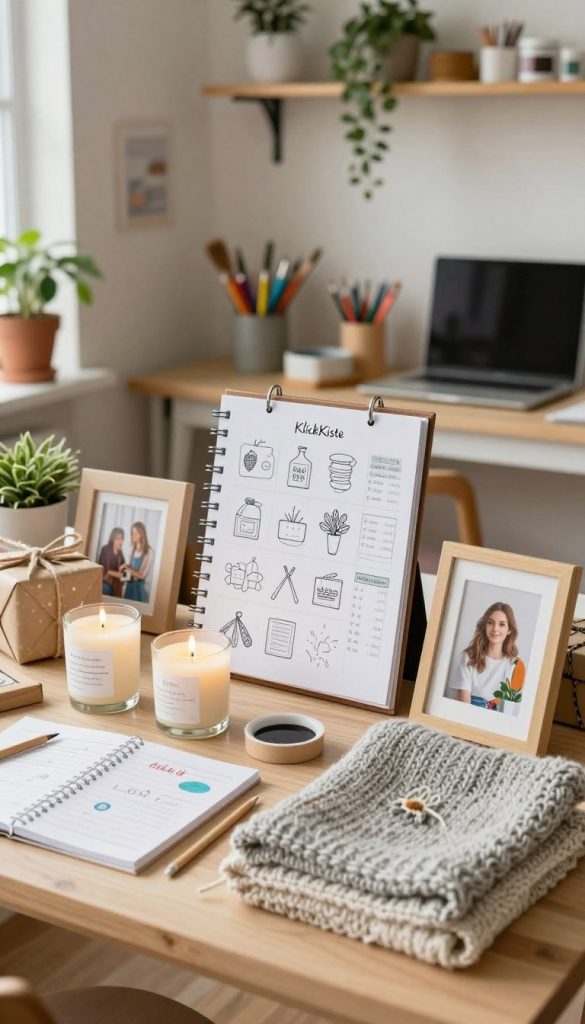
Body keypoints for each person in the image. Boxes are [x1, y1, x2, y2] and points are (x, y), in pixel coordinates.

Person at [452, 601, 525, 709]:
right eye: (490, 623)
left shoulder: (516, 666)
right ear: (485, 626)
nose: (495, 628)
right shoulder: (468, 657)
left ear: (509, 630)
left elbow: (511, 710)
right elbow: (464, 708)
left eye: (502, 624)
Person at [123, 522, 154, 603]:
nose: (133, 535)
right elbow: (128, 570)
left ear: (142, 534)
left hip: (138, 590)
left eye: (136, 533)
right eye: (132, 533)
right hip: (129, 589)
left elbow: (142, 575)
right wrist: (124, 567)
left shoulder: (148, 552)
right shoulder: (131, 549)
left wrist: (128, 569)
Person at [98, 528, 126, 597]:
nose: (120, 542)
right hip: (105, 583)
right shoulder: (105, 549)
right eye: (117, 539)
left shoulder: (120, 553)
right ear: (112, 539)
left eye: (121, 539)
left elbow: (124, 571)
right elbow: (105, 570)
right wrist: (119, 575)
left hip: (116, 586)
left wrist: (124, 570)